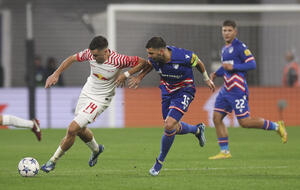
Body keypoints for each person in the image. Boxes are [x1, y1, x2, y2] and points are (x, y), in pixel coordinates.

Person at [41, 36, 147, 173]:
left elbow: (143, 62)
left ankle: (52, 161)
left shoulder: (118, 59)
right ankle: (97, 149)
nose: (93, 58)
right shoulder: (90, 54)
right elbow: (71, 59)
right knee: (79, 130)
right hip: (87, 92)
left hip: (101, 98)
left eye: (96, 55)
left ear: (106, 52)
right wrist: (56, 74)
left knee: (72, 128)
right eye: (92, 54)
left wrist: (125, 75)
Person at [120, 37, 215, 176]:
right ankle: (197, 130)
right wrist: (139, 78)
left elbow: (198, 62)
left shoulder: (183, 56)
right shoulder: (155, 59)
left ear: (162, 51)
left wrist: (206, 78)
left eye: (151, 53)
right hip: (167, 91)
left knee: (169, 125)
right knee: (172, 127)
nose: (149, 56)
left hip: (184, 90)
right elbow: (150, 65)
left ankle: (159, 162)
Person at [208, 20, 288, 160]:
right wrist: (216, 74)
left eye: (229, 30)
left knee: (244, 122)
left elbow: (252, 64)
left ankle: (277, 126)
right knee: (216, 117)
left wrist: (234, 68)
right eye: (224, 30)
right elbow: (226, 67)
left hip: (237, 89)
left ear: (235, 32)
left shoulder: (240, 47)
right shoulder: (225, 49)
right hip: (226, 90)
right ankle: (225, 152)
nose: (226, 33)